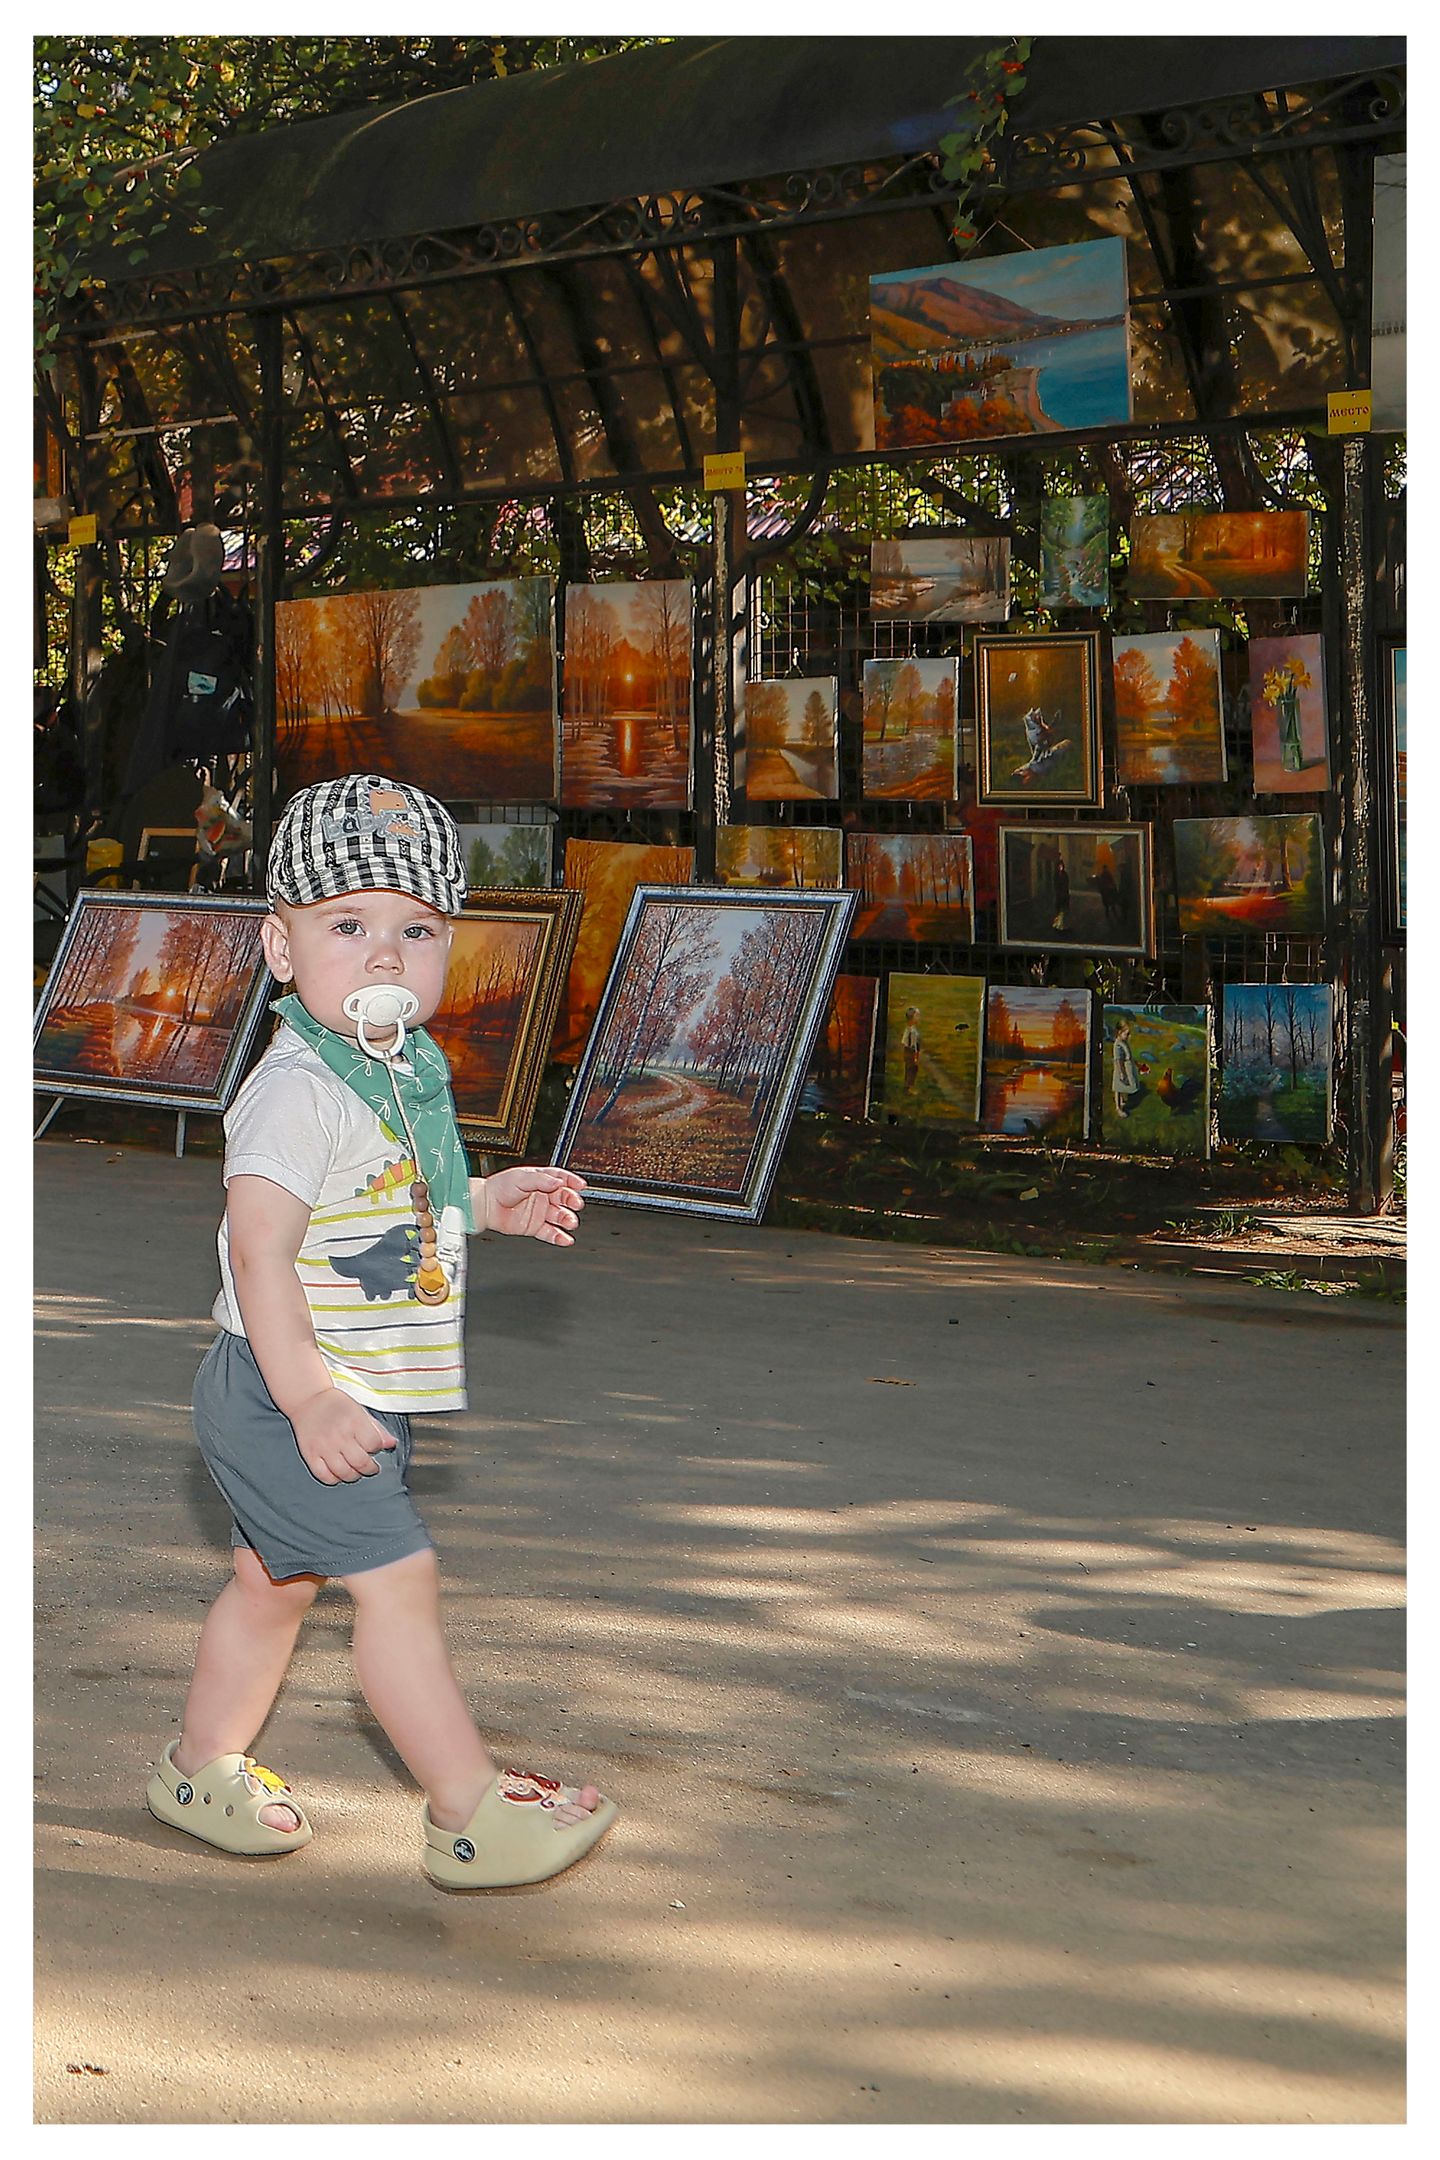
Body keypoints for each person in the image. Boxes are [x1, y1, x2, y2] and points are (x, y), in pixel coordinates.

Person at [145, 774, 617, 1890]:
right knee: (398, 1583)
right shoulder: (298, 1090)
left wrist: (485, 1205)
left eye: (418, 929)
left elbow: (391, 1206)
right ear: (281, 946)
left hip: (350, 1388)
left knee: (272, 1585)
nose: (386, 954)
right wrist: (308, 1396)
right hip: (287, 1392)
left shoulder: (397, 1072)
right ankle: (468, 1813)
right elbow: (260, 1251)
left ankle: (198, 1768)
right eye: (348, 925)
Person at [1111, 1017, 1142, 1119]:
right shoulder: (1117, 1044)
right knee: (1118, 1088)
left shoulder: (1124, 1042)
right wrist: (1121, 1072)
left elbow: (1129, 1056)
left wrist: (1137, 1064)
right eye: (1127, 1034)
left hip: (1127, 1067)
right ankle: (1118, 1108)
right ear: (1120, 1032)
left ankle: (1121, 1101)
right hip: (1121, 1068)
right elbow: (1118, 1059)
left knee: (1122, 1086)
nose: (1129, 1036)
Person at [901, 1004, 922, 1090]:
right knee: (912, 1069)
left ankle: (908, 1085)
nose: (918, 1018)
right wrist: (915, 1056)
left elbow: (904, 1042)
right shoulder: (912, 1031)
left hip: (908, 1051)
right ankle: (909, 1086)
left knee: (910, 1068)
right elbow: (912, 1044)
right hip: (911, 1052)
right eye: (917, 1016)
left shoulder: (909, 1029)